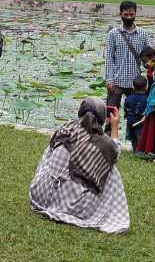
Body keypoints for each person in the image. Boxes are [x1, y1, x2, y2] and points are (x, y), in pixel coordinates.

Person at [29, 98, 130, 234]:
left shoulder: (66, 128)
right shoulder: (104, 144)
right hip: (72, 206)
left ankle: (51, 197)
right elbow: (116, 153)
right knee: (111, 168)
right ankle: (115, 213)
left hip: (40, 195)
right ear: (102, 117)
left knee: (51, 150)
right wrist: (114, 127)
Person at [104, 0, 151, 121]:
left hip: (136, 84)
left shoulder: (143, 34)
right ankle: (109, 133)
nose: (129, 17)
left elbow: (149, 57)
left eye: (131, 14)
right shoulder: (113, 34)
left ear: (135, 14)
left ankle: (133, 133)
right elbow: (109, 58)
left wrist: (150, 64)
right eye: (126, 14)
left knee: (135, 118)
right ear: (120, 14)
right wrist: (109, 80)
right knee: (111, 116)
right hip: (116, 81)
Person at [123, 74, 149, 155]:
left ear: (133, 87)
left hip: (130, 120)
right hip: (140, 121)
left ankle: (135, 149)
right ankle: (140, 152)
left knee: (133, 136)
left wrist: (126, 115)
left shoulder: (129, 98)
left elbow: (126, 107)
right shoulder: (147, 99)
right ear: (146, 87)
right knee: (140, 136)